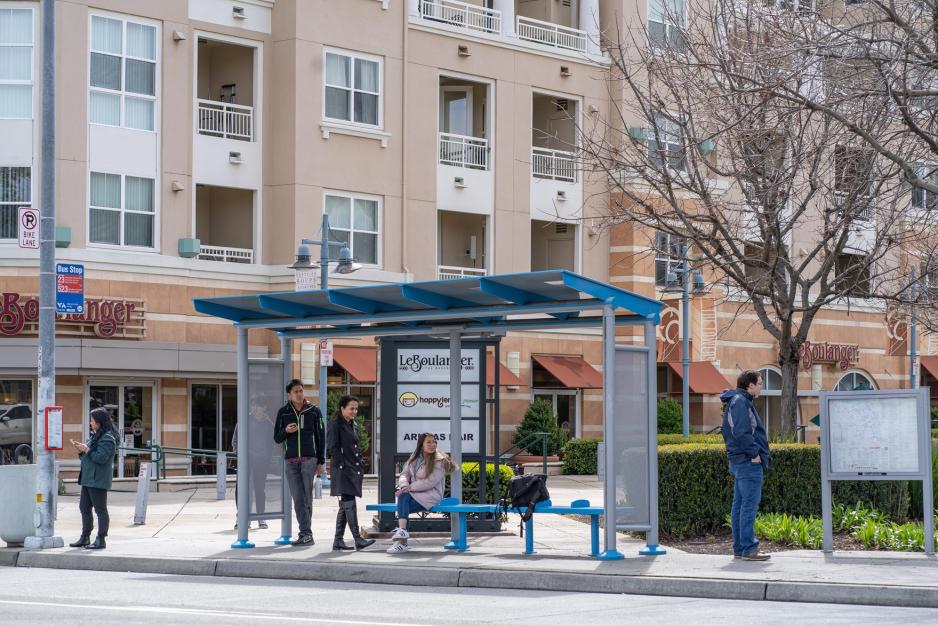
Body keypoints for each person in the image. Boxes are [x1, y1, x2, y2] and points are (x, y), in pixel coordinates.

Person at [720, 370, 771, 562]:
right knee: (748, 506)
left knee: (740, 505)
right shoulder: (741, 402)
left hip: (739, 461)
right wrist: (754, 454)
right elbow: (742, 432)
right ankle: (749, 549)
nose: (761, 387)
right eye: (759, 383)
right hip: (747, 462)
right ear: (750, 385)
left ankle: (741, 548)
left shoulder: (737, 401)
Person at [387, 433, 457, 554]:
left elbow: (429, 482)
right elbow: (404, 474)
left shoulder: (440, 460)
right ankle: (402, 533)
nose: (432, 444)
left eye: (434, 442)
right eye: (428, 442)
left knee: (404, 502)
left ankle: (401, 541)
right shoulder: (415, 457)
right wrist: (404, 485)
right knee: (404, 502)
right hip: (414, 494)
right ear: (421, 445)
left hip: (431, 496)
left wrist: (410, 488)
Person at [274, 379, 324, 546]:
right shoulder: (283, 412)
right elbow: (277, 438)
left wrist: (321, 461)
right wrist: (286, 431)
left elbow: (320, 437)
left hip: (310, 460)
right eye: (295, 391)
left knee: (306, 498)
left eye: (301, 390)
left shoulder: (313, 411)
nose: (299, 394)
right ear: (289, 394)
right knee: (298, 498)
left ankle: (306, 533)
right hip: (291, 461)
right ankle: (306, 533)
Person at [330, 395, 375, 551]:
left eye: (356, 408)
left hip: (352, 469)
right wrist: (342, 465)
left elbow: (355, 446)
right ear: (342, 408)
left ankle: (338, 541)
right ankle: (357, 539)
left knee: (345, 505)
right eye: (351, 408)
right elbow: (333, 447)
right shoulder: (336, 424)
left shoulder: (352, 424)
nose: (354, 411)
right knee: (349, 504)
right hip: (344, 470)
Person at [69, 408, 117, 550]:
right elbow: (88, 457)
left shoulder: (108, 438)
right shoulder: (95, 436)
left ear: (99, 422)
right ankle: (85, 537)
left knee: (100, 510)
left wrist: (87, 450)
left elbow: (101, 458)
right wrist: (81, 451)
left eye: (92, 420)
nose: (90, 423)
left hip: (98, 480)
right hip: (88, 478)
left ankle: (101, 539)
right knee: (84, 507)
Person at [232, 400, 277, 530]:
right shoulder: (243, 422)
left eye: (258, 405)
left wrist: (266, 458)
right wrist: (239, 455)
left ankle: (260, 517)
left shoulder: (269, 424)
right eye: (253, 405)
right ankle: (241, 517)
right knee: (241, 489)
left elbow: (272, 444)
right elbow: (235, 441)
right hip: (245, 461)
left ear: (264, 407)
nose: (254, 407)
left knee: (259, 489)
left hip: (261, 462)